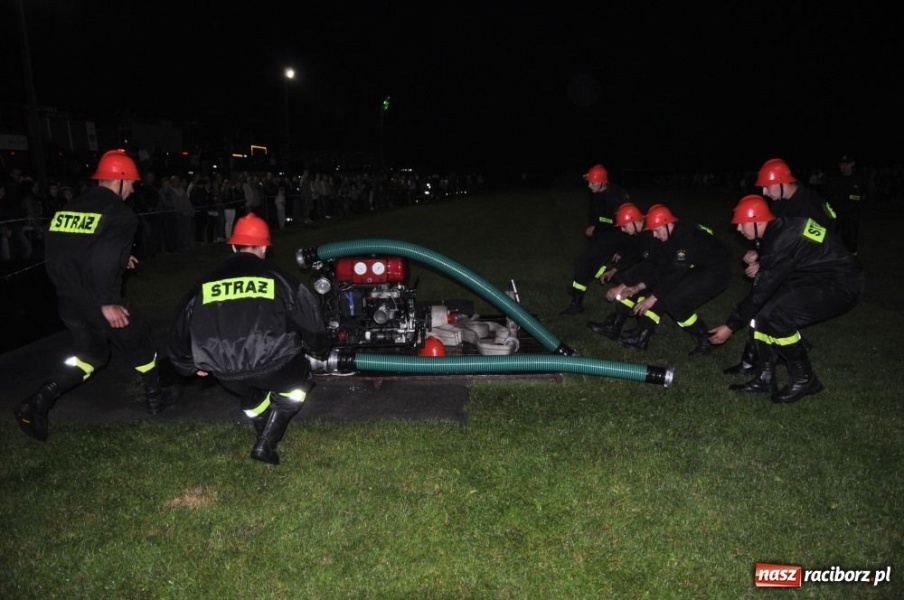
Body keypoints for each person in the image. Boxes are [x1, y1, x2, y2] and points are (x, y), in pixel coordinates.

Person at [13, 150, 180, 442]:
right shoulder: (120, 214)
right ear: (120, 180)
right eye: (132, 183)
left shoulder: (69, 208)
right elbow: (102, 259)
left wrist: (119, 259)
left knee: (91, 356)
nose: (133, 188)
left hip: (69, 300)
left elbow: (62, 253)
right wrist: (107, 302)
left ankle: (37, 401)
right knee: (140, 341)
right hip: (100, 299)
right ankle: (156, 399)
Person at [168, 213, 329, 465]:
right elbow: (309, 316)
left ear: (233, 245)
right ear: (264, 246)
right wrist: (317, 349)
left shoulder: (205, 283)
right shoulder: (279, 278)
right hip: (275, 364)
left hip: (226, 372)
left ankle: (262, 424)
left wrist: (189, 364)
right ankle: (266, 442)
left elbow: (181, 324)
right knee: (298, 385)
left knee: (250, 392)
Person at [708, 195, 863, 403]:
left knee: (779, 317)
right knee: (763, 315)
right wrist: (763, 260)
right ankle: (765, 377)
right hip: (816, 277)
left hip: (840, 285)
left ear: (758, 221)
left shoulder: (782, 238)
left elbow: (762, 289)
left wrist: (730, 326)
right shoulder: (779, 229)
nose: (738, 230)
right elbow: (790, 255)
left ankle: (805, 379)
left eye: (741, 225)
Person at [723, 158, 838, 375]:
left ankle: (771, 357)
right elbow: (774, 237)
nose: (764, 192)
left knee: (768, 308)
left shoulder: (808, 207)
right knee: (763, 307)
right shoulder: (781, 203)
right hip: (785, 265)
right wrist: (759, 253)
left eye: (767, 186)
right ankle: (754, 359)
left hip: (806, 270)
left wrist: (767, 264)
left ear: (783, 182)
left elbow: (808, 248)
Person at [603, 203, 731, 354]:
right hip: (697, 267)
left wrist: (652, 298)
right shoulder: (668, 238)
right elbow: (659, 267)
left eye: (657, 231)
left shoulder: (684, 238)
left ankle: (705, 339)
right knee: (666, 295)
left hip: (716, 271)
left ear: (668, 224)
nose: (655, 236)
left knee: (675, 303)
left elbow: (677, 272)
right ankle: (642, 334)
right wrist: (637, 287)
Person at [559, 163, 630, 316]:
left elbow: (625, 225)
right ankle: (617, 281)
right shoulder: (597, 192)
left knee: (584, 265)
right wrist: (592, 225)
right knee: (590, 266)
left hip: (612, 240)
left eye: (593, 182)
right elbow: (595, 213)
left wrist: (621, 250)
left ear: (603, 182)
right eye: (589, 182)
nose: (589, 186)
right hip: (601, 237)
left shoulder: (616, 198)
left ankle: (577, 303)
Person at [586, 201, 653, 339]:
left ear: (634, 221)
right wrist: (614, 270)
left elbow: (648, 267)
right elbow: (634, 255)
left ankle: (619, 328)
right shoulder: (642, 234)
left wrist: (624, 285)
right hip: (658, 270)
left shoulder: (652, 236)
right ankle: (624, 325)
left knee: (631, 289)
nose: (622, 230)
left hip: (674, 272)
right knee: (631, 290)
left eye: (624, 226)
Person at [823, 154, 868, 254]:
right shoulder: (834, 178)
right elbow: (828, 195)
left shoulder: (859, 179)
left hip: (851, 214)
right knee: (830, 235)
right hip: (836, 213)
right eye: (842, 164)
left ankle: (852, 254)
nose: (844, 166)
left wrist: (855, 201)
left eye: (847, 164)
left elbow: (863, 196)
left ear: (852, 164)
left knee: (850, 236)